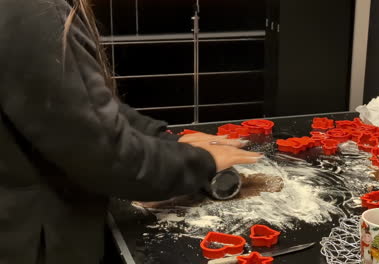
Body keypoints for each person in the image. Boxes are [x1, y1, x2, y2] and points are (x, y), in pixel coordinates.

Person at [0, 0, 262, 263]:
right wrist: (201, 162)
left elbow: (86, 106)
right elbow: (106, 157)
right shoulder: (31, 10)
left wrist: (165, 139)